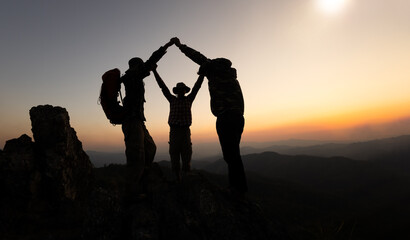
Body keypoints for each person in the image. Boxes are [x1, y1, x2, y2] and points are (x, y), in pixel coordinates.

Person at [173, 37, 248, 194]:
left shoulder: (214, 70)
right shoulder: (231, 76)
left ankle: (238, 189)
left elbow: (196, 56)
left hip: (225, 118)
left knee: (231, 154)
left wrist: (180, 46)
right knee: (233, 153)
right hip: (238, 117)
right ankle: (238, 187)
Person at [120, 39, 174, 197]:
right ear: (136, 66)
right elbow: (152, 60)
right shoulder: (133, 75)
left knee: (150, 148)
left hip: (138, 120)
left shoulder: (132, 78)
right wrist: (167, 46)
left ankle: (143, 178)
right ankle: (132, 192)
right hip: (132, 121)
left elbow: (149, 65)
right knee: (136, 155)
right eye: (142, 65)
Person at [152, 66, 204, 182]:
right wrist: (155, 71)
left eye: (183, 90)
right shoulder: (172, 100)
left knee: (186, 153)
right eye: (180, 90)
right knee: (174, 154)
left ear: (185, 91)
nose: (181, 91)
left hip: (185, 130)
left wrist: (202, 75)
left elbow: (197, 87)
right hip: (175, 131)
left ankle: (186, 175)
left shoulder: (188, 99)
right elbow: (162, 86)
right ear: (177, 91)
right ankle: (177, 177)